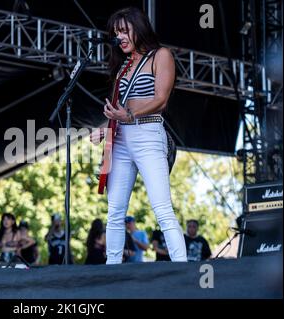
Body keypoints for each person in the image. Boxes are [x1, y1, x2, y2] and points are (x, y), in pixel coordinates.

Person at [90, 7, 187, 263]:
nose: (118, 36)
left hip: (148, 133)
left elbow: (161, 99)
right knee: (114, 211)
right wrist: (104, 128)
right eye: (115, 32)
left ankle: (182, 267)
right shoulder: (123, 66)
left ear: (139, 28)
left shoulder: (160, 55)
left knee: (162, 209)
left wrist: (130, 116)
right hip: (121, 138)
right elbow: (120, 109)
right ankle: (112, 268)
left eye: (123, 30)